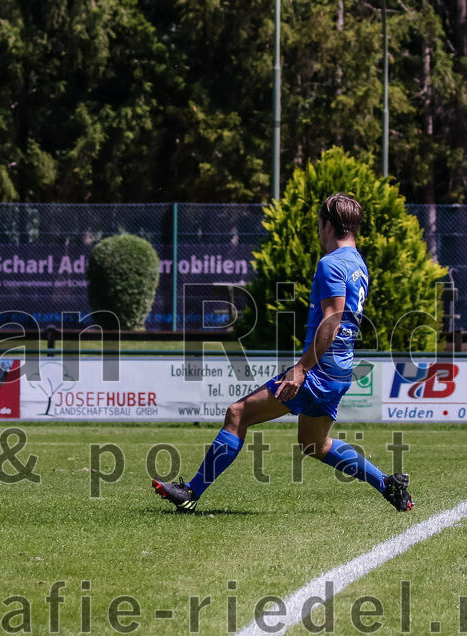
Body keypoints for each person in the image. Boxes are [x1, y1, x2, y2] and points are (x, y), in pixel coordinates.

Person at [153, 193, 413, 513]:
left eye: (319, 224)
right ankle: (387, 484)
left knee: (237, 414)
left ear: (327, 225)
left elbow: (332, 321)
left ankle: (191, 492)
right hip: (339, 370)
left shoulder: (331, 263)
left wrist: (301, 368)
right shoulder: (358, 264)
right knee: (315, 444)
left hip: (318, 371)